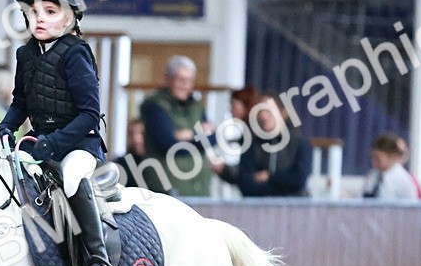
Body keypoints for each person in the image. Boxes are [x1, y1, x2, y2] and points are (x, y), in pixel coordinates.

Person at [0, 0, 118, 266]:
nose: (39, 19)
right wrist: (6, 126)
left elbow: (90, 114)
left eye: (49, 12)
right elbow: (20, 102)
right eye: (33, 12)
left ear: (70, 17)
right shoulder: (26, 54)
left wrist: (53, 142)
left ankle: (99, 263)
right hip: (41, 144)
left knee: (72, 177)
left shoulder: (75, 54)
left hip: (79, 145)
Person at [139, 56, 216, 197]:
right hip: (166, 186)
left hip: (198, 187)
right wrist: (198, 134)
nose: (184, 84)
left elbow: (212, 138)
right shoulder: (155, 106)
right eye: (180, 79)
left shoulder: (196, 106)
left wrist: (188, 135)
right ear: (168, 79)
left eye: (189, 80)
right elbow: (167, 144)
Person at [212, 92, 311, 197]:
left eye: (268, 111)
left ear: (283, 112)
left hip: (293, 205)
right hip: (259, 205)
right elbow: (246, 184)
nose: (263, 116)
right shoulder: (253, 144)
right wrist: (282, 185)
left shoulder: (298, 143)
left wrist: (269, 177)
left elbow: (299, 180)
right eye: (259, 111)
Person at [114, 119, 171, 194]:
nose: (136, 139)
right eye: (131, 134)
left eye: (141, 133)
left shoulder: (158, 163)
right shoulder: (121, 164)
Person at [362, 133, 420, 200]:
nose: (373, 162)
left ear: (391, 156)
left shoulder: (404, 180)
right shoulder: (372, 176)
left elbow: (411, 204)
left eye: (377, 158)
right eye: (372, 158)